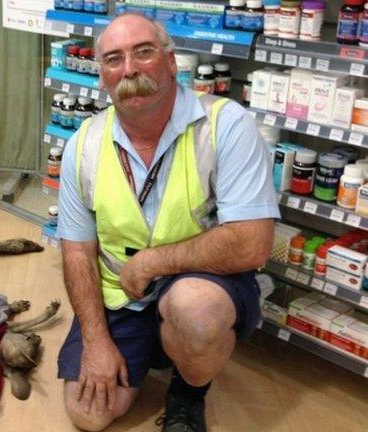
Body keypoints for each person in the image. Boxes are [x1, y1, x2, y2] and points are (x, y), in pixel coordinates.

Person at [55, 13, 280, 432]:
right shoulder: (83, 143)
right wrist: (97, 342)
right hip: (120, 291)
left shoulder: (225, 124)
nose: (130, 69)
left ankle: (187, 393)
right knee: (88, 415)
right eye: (114, 59)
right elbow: (77, 252)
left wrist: (153, 262)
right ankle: (156, 343)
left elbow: (252, 244)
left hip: (202, 282)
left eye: (144, 52)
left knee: (194, 311)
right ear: (101, 75)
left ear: (172, 61)